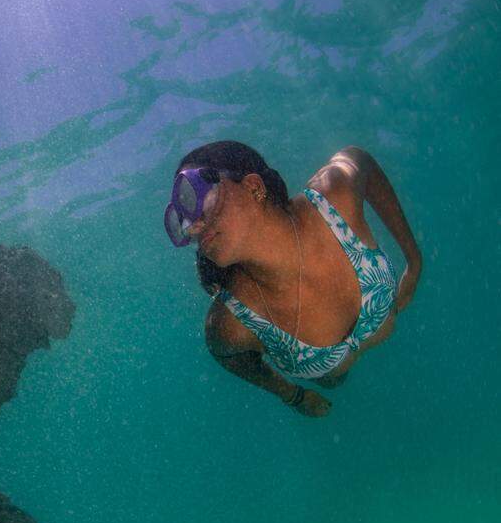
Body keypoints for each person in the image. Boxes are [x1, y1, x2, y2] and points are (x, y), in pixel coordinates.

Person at [164, 141, 422, 417]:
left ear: (254, 187)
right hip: (333, 379)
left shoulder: (334, 198)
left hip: (421, 375)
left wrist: (414, 263)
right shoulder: (231, 323)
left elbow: (360, 160)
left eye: (199, 199)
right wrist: (292, 395)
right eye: (182, 221)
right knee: (334, 381)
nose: (194, 226)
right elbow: (225, 355)